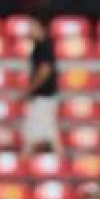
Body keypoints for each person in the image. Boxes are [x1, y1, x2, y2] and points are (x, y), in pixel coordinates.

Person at [21, 14, 61, 156]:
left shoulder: (44, 45)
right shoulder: (39, 46)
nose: (29, 30)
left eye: (32, 26)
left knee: (33, 132)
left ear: (41, 27)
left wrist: (29, 90)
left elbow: (44, 71)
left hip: (43, 97)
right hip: (43, 97)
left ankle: (25, 162)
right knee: (48, 132)